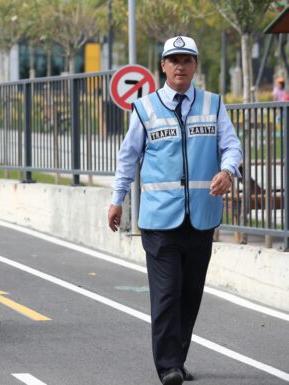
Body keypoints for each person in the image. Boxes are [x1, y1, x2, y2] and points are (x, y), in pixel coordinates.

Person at [107, 36, 242, 385]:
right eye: (173, 60)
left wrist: (228, 171)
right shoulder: (145, 108)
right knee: (167, 293)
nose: (180, 66)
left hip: (201, 218)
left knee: (190, 295)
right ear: (163, 67)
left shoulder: (213, 105)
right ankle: (168, 366)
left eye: (187, 60)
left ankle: (177, 361)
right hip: (159, 220)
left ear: (195, 65)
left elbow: (231, 145)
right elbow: (128, 159)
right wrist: (117, 198)